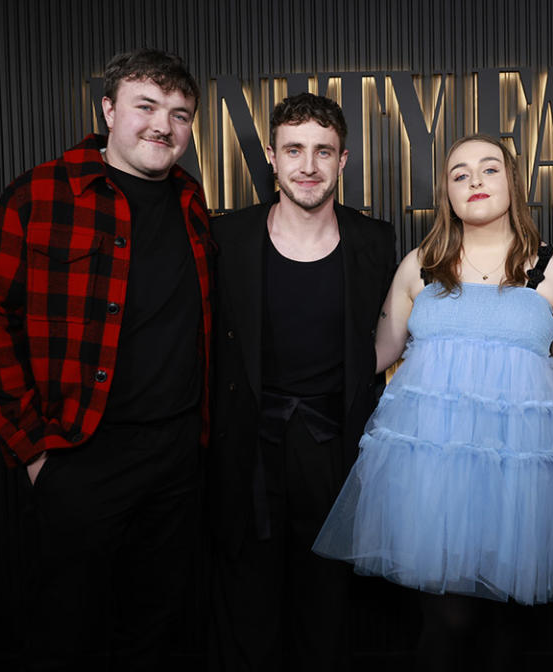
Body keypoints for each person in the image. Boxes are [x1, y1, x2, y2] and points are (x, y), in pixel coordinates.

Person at [313, 134, 553, 669]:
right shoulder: (419, 266)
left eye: (489, 169)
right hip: (431, 470)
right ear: (446, 193)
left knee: (507, 620)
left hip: (520, 475)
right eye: (459, 173)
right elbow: (376, 354)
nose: (475, 180)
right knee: (447, 621)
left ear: (512, 182)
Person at [0, 49, 212, 670]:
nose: (163, 125)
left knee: (154, 627)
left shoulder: (191, 201)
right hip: (80, 454)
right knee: (65, 629)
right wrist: (34, 449)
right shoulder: (40, 194)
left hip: (178, 457)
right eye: (146, 107)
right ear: (108, 110)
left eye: (179, 114)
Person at [207, 92, 396, 671]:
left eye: (323, 151)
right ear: (270, 155)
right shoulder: (227, 237)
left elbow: (393, 342)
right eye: (294, 149)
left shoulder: (375, 242)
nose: (308, 165)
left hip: (333, 444)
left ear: (344, 160)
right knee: (248, 604)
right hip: (247, 445)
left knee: (327, 603)